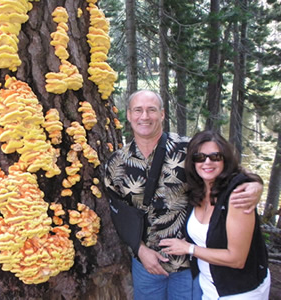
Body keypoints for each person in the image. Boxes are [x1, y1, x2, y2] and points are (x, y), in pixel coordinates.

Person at [103, 90, 263, 300]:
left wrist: (255, 184)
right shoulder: (116, 162)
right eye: (138, 110)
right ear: (129, 114)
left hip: (188, 266)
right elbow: (118, 211)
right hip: (146, 266)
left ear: (162, 114)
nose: (145, 116)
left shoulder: (188, 149)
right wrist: (140, 250)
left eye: (151, 110)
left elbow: (229, 171)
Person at [159, 131, 271, 299]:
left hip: (239, 291)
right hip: (208, 286)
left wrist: (189, 249)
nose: (207, 162)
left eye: (215, 156)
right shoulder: (197, 191)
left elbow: (237, 259)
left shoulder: (238, 195)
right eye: (200, 157)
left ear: (224, 159)